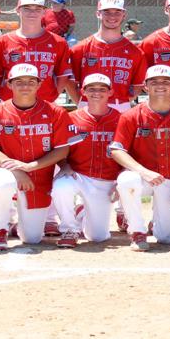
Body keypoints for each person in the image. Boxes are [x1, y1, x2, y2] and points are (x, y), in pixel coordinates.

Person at [109, 64, 170, 251]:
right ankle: (137, 231)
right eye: (154, 82)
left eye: (166, 81)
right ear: (146, 86)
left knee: (167, 239)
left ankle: (157, 224)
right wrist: (143, 172)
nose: (160, 85)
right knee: (127, 180)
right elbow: (117, 150)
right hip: (144, 177)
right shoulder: (131, 115)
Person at [0, 63, 78, 249]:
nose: (25, 86)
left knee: (32, 238)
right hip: (6, 170)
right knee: (2, 183)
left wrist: (31, 166)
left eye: (31, 81)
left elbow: (62, 150)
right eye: (19, 82)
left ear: (39, 84)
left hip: (39, 176)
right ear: (9, 85)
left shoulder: (55, 112)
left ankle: (19, 223)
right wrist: (17, 170)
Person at [51, 73, 124, 245]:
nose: (96, 92)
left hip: (107, 179)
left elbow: (131, 152)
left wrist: (121, 181)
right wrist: (64, 165)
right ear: (83, 91)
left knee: (97, 237)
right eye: (91, 89)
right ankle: (69, 229)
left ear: (111, 92)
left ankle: (82, 211)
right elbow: (60, 148)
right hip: (79, 175)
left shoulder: (121, 119)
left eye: (102, 89)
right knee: (61, 186)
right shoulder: (71, 118)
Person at [0, 0, 76, 106]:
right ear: (18, 10)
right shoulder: (1, 42)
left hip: (46, 102)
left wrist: (54, 94)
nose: (32, 13)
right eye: (27, 8)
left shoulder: (58, 42)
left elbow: (62, 74)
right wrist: (7, 92)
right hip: (10, 103)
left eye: (38, 9)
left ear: (44, 12)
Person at [70, 0, 145, 112]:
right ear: (98, 14)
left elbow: (138, 85)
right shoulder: (80, 49)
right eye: (107, 12)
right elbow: (71, 83)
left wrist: (123, 101)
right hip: (87, 106)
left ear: (124, 15)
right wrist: (81, 103)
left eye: (117, 12)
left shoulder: (135, 52)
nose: (112, 16)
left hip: (120, 105)